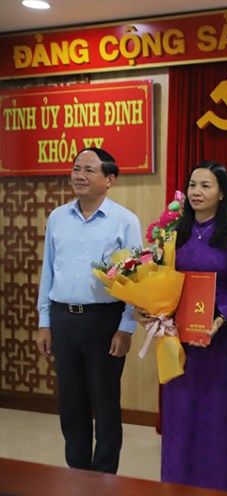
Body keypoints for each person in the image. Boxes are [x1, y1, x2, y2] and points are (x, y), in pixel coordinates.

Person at [35, 147, 142, 474]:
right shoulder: (57, 217)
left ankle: (104, 479)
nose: (79, 175)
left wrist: (126, 327)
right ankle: (77, 474)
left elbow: (136, 278)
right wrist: (44, 321)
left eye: (89, 170)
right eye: (76, 168)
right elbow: (48, 271)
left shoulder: (125, 221)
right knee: (71, 405)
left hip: (104, 322)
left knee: (106, 405)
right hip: (63, 318)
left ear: (109, 179)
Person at [157, 161, 227, 494]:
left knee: (218, 418)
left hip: (220, 341)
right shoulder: (175, 234)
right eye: (192, 185)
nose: (196, 192)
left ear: (221, 193)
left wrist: (222, 316)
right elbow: (161, 280)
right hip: (180, 340)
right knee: (181, 417)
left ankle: (224, 485)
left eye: (205, 185)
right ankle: (179, 483)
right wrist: (157, 312)